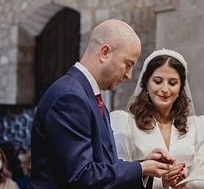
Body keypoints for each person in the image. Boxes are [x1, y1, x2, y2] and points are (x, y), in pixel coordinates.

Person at [30, 19, 175, 188]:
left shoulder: (91, 96)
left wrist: (146, 167)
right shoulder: (70, 97)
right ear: (105, 52)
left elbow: (104, 164)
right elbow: (82, 176)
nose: (129, 75)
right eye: (128, 64)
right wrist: (140, 168)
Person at [111, 49, 204, 188]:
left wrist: (183, 181)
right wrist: (160, 181)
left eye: (172, 83)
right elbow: (121, 176)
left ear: (180, 88)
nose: (165, 89)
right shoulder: (125, 123)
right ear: (146, 83)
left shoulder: (200, 126)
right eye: (158, 81)